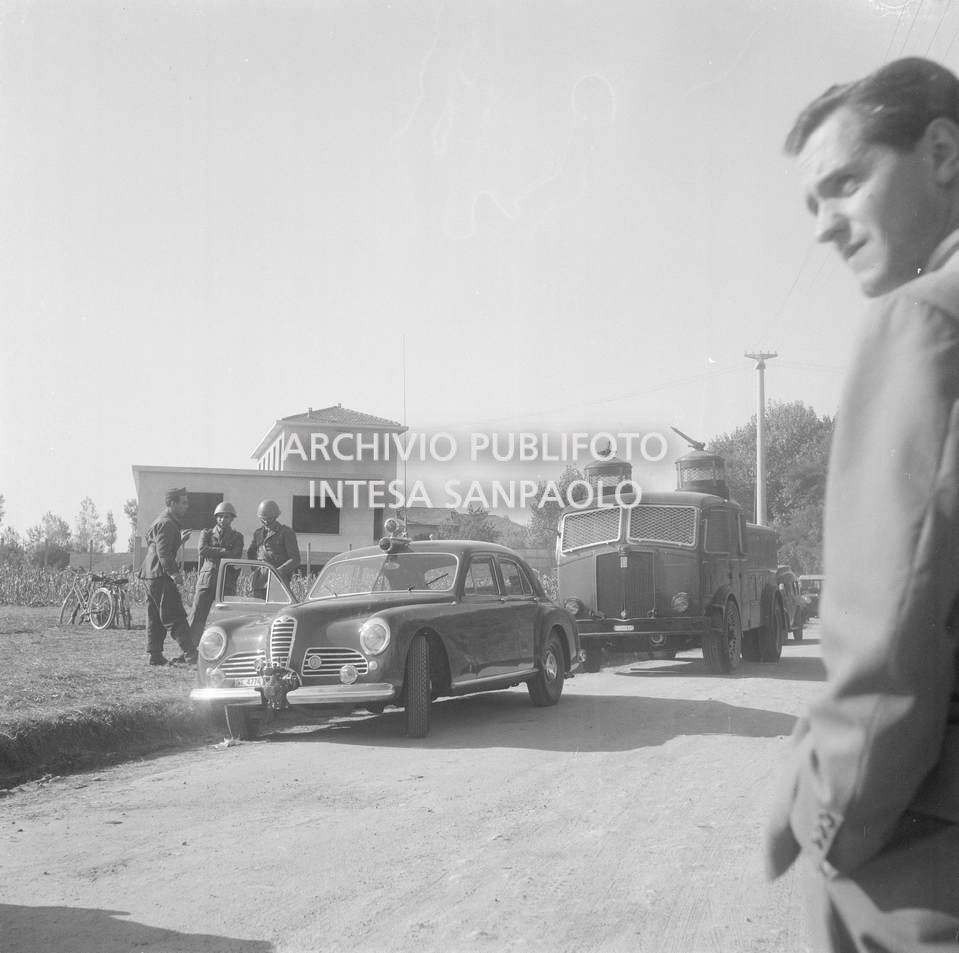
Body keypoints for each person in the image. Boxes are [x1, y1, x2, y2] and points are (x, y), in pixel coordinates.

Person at [765, 57, 959, 951]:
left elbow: (886, 643)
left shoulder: (923, 321)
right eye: (810, 204)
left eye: (843, 183)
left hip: (921, 860)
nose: (823, 229)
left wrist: (823, 823)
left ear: (941, 152)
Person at [138, 487, 194, 666]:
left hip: (150, 573)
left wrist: (179, 540)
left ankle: (154, 655)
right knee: (175, 614)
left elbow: (153, 543)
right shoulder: (167, 524)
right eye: (183, 502)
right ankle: (191, 653)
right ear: (172, 503)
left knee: (155, 615)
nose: (187, 506)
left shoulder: (162, 521)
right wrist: (174, 573)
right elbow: (163, 554)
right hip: (160, 574)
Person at [188, 501, 244, 647]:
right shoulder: (206, 533)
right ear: (216, 518)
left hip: (227, 580)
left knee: (227, 618)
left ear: (232, 519)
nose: (222, 520)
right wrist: (224, 552)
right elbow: (202, 550)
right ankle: (190, 650)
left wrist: (214, 551)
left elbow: (236, 555)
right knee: (197, 616)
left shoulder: (238, 537)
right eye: (220, 517)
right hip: (207, 580)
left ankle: (225, 649)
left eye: (226, 517)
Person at [246, 499, 300, 599]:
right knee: (259, 611)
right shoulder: (258, 533)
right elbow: (251, 553)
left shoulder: (286, 532)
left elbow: (295, 559)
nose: (266, 521)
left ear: (275, 516)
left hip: (278, 580)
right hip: (260, 581)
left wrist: (277, 572)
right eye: (263, 518)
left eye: (269, 518)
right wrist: (256, 569)